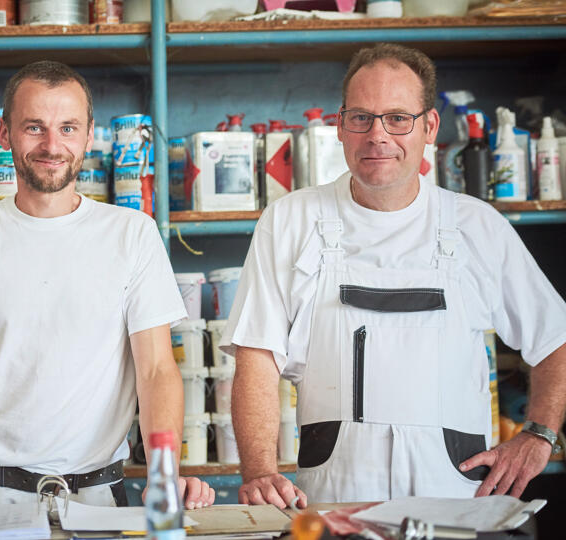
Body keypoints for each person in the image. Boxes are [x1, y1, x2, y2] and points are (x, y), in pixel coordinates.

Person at [223, 43, 566, 506]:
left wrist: (539, 434)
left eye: (397, 118)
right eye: (361, 117)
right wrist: (260, 471)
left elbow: (555, 338)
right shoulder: (290, 221)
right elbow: (256, 358)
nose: (377, 135)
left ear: (429, 127)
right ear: (340, 126)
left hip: (455, 502)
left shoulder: (477, 226)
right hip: (332, 502)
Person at [0, 61, 215, 511]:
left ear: (89, 136)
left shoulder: (132, 233)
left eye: (68, 128)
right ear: (4, 134)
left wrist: (165, 475)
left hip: (97, 498)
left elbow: (155, 370)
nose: (53, 145)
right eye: (35, 127)